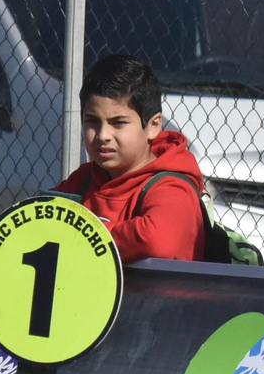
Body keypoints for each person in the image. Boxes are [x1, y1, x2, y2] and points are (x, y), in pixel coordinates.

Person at [54, 54, 206, 262]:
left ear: (153, 126)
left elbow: (157, 240)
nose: (103, 135)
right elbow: (36, 223)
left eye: (118, 123)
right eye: (92, 121)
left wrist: (79, 235)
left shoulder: (170, 187)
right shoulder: (84, 180)